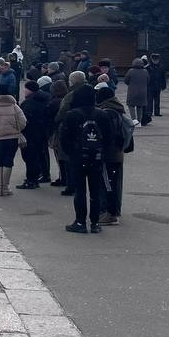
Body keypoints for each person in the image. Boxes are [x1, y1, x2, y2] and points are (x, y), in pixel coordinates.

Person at [58, 84, 119, 234]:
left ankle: (80, 221)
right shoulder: (102, 114)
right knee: (95, 191)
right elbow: (109, 137)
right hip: (97, 157)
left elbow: (64, 138)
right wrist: (102, 152)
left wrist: (71, 153)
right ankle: (94, 222)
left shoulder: (72, 114)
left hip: (78, 157)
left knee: (80, 191)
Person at [95, 82, 132, 225]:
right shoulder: (117, 109)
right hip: (117, 153)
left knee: (107, 184)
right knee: (113, 183)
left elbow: (108, 136)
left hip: (109, 155)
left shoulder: (108, 113)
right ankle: (114, 210)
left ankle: (109, 214)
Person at [17, 80, 50, 189]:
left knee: (29, 158)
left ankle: (31, 180)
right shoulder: (45, 100)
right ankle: (36, 178)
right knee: (38, 156)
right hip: (41, 132)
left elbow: (23, 119)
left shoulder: (28, 103)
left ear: (29, 90)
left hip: (29, 133)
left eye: (25, 88)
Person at [124, 57, 150, 126]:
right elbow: (148, 81)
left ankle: (134, 120)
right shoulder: (145, 71)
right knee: (140, 107)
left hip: (132, 92)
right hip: (143, 93)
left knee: (131, 106)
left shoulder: (131, 71)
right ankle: (139, 121)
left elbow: (126, 81)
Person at [146, 53, 167, 122]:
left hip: (158, 86)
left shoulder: (161, 67)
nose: (156, 61)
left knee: (157, 100)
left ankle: (157, 112)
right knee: (150, 100)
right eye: (154, 59)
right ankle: (149, 112)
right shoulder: (148, 67)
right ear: (151, 59)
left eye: (157, 59)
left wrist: (163, 86)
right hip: (150, 86)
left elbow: (163, 77)